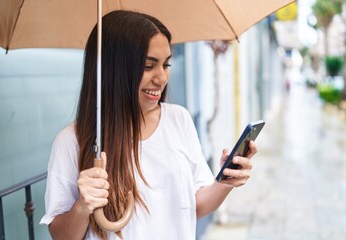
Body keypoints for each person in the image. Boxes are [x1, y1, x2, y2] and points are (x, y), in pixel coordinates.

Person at [40, 10, 257, 240]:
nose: (162, 78)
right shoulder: (73, 141)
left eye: (166, 65)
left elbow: (195, 206)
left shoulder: (179, 120)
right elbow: (61, 236)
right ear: (114, 69)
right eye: (148, 65)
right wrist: (83, 206)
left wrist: (225, 182)